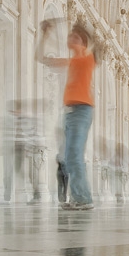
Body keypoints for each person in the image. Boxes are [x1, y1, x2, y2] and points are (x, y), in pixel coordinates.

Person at [38, 20, 97, 210]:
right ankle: (79, 197)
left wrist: (84, 28)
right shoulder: (70, 62)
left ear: (84, 43)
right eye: (70, 35)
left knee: (74, 155)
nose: (71, 38)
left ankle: (83, 199)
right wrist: (45, 34)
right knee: (68, 156)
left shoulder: (88, 59)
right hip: (69, 111)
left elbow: (100, 47)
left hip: (82, 109)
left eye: (76, 37)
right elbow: (40, 57)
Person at [1, 101, 42, 204]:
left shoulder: (26, 120)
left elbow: (33, 134)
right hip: (13, 148)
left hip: (23, 148)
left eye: (14, 110)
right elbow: (7, 134)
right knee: (9, 171)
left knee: (26, 173)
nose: (12, 112)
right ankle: (7, 196)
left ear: (18, 110)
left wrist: (29, 147)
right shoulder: (11, 120)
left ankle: (36, 194)